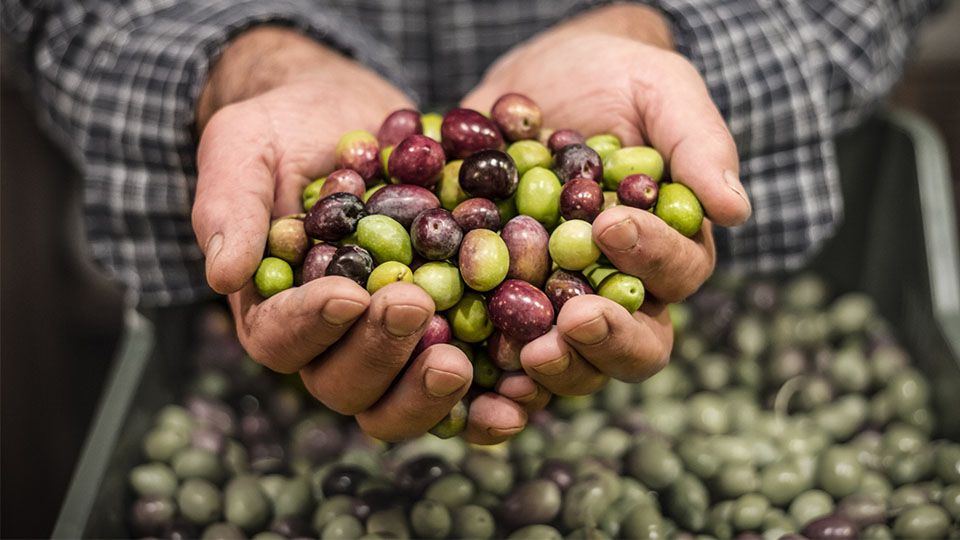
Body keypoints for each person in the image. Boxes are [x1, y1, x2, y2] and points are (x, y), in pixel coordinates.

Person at [1, 0, 941, 444]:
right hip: (181, 216)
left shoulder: (532, 208)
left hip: (627, 148)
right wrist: (236, 69)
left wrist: (664, 38)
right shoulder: (413, 214)